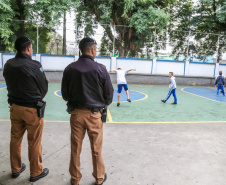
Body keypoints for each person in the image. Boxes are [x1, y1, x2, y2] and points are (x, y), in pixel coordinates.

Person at [61, 37, 114, 185]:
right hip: (94, 114)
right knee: (96, 148)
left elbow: (65, 94)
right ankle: (99, 178)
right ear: (92, 50)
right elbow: (109, 94)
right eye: (96, 49)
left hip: (76, 114)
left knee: (75, 148)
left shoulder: (70, 68)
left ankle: (75, 178)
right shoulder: (101, 69)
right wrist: (102, 104)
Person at [3, 36, 49, 182]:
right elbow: (44, 87)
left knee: (15, 139)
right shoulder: (35, 65)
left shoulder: (8, 64)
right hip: (32, 110)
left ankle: (16, 168)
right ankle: (36, 172)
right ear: (28, 48)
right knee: (34, 141)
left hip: (15, 107)